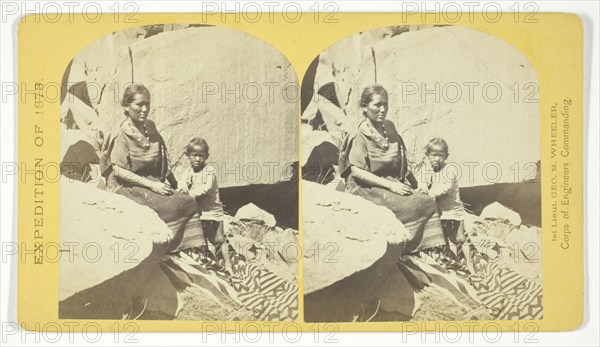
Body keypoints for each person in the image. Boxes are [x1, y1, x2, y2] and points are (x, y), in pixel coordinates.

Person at [305, 84, 446, 322]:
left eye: (385, 104)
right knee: (409, 206)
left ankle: (420, 249)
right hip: (366, 186)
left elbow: (404, 164)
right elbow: (356, 171)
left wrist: (417, 182)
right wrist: (390, 186)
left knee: (426, 201)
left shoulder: (390, 129)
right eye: (376, 105)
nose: (382, 109)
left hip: (391, 181)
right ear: (364, 108)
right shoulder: (359, 134)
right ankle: (403, 251)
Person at [101, 83, 204, 252]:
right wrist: (153, 186)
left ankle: (190, 249)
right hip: (128, 186)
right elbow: (118, 170)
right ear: (127, 106)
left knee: (188, 200)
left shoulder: (150, 127)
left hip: (151, 181)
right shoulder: (120, 133)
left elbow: (162, 159)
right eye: (139, 104)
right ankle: (166, 248)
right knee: (172, 206)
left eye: (147, 104)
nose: (144, 109)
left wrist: (177, 184)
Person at [180, 137, 233, 273]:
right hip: (199, 212)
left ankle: (228, 265)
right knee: (202, 238)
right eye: (194, 155)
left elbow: (206, 188)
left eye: (201, 156)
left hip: (213, 211)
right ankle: (207, 262)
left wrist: (189, 193)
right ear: (188, 156)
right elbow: (181, 187)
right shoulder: (187, 172)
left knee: (219, 238)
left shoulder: (209, 170)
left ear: (206, 156)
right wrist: (181, 190)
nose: (197, 159)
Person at [419, 138, 467, 252]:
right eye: (433, 155)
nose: (437, 159)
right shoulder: (427, 169)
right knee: (446, 236)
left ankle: (470, 261)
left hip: (453, 209)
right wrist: (422, 188)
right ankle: (454, 259)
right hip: (440, 211)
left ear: (446, 156)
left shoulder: (449, 169)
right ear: (427, 155)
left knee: (460, 237)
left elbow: (446, 187)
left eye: (440, 155)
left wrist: (430, 195)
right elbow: (422, 182)